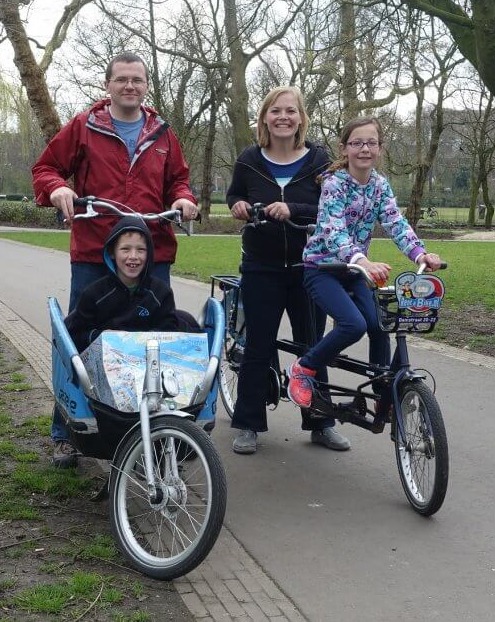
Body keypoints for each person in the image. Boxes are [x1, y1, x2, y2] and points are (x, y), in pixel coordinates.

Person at [32, 52, 198, 467]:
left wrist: (183, 198)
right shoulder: (85, 127)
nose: (130, 86)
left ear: (146, 86)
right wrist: (57, 189)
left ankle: (154, 427)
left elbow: (179, 178)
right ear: (107, 85)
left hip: (151, 250)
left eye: (137, 80)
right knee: (79, 338)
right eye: (121, 79)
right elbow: (46, 167)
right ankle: (66, 430)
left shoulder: (162, 133)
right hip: (94, 251)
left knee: (155, 339)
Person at [287, 116, 444, 412]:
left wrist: (420, 254)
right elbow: (334, 232)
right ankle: (304, 369)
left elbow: (396, 224)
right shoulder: (334, 184)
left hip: (355, 270)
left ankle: (382, 386)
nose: (364, 149)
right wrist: (363, 261)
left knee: (379, 324)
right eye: (357, 143)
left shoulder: (379, 185)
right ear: (344, 148)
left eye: (371, 143)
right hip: (322, 269)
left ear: (380, 149)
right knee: (353, 325)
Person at [225, 86, 349, 455]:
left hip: (310, 267)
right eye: (276, 111)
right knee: (258, 345)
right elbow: (233, 195)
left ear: (301, 118)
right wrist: (239, 205)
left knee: (313, 344)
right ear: (264, 117)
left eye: (290, 111)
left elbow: (331, 208)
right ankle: (248, 423)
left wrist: (292, 208)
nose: (283, 117)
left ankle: (320, 422)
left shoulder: (319, 160)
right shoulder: (249, 159)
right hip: (261, 266)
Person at [64, 216, 181, 353]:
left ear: (149, 254)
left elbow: (169, 332)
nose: (133, 256)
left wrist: (140, 342)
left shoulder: (161, 293)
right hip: (105, 363)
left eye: (141, 250)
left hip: (149, 362)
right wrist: (106, 340)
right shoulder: (94, 294)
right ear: (112, 253)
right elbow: (77, 334)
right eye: (125, 249)